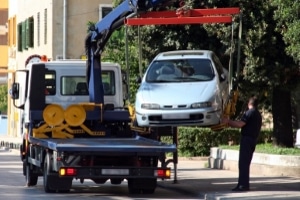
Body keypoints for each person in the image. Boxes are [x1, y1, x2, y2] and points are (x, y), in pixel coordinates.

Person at [222, 96, 262, 192]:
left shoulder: (249, 113)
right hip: (253, 139)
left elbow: (240, 124)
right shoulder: (258, 114)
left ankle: (243, 185)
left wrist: (228, 121)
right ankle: (242, 184)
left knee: (243, 163)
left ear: (249, 104)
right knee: (246, 163)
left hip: (247, 139)